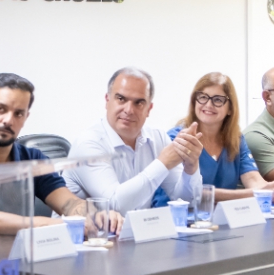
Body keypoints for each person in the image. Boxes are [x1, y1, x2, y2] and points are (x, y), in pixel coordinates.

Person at [0, 73, 123, 241]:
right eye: (1, 109)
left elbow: (69, 204)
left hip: (16, 260)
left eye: (18, 113)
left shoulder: (32, 159)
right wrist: (61, 225)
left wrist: (96, 216)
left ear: (26, 117)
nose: (8, 120)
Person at [63, 67, 203, 216]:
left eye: (139, 103)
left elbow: (187, 202)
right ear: (107, 101)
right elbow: (114, 205)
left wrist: (190, 167)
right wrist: (163, 163)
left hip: (137, 230)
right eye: (121, 99)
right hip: (82, 231)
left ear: (149, 109)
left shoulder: (158, 138)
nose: (129, 110)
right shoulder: (87, 144)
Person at [152, 72, 274, 207]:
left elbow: (254, 180)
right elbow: (190, 193)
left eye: (218, 100)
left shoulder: (236, 140)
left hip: (216, 217)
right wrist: (256, 193)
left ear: (230, 108)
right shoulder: (177, 138)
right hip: (173, 216)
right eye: (203, 97)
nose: (208, 104)